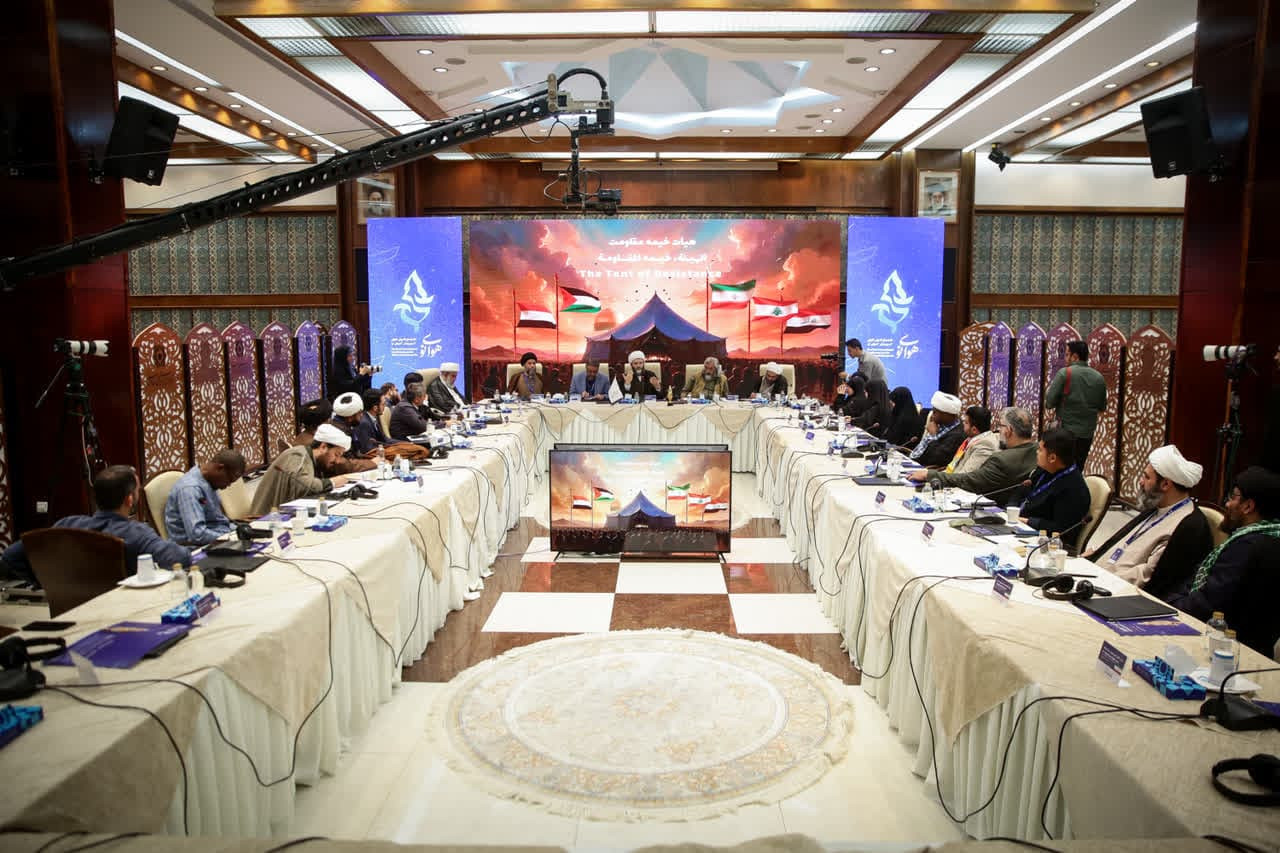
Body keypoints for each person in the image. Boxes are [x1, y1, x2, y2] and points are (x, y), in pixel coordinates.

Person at [1, 465, 191, 588]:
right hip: (123, 612)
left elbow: (10, 557)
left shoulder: (66, 525)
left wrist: (48, 584)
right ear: (129, 500)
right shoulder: (137, 533)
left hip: (68, 613)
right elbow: (180, 559)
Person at [1163, 466, 1280, 655]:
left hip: (1227, 651)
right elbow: (1197, 581)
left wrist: (1167, 607)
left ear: (1248, 506)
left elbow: (1205, 604)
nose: (1227, 503)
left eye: (1233, 497)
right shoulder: (1267, 537)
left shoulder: (1248, 547)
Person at [1088, 445, 1213, 594]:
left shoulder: (1189, 526)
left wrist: (1101, 578)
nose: (1141, 482)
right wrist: (1094, 558)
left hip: (1118, 592)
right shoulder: (1157, 507)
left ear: (1165, 484)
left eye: (1147, 477)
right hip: (1099, 577)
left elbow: (1149, 576)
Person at [910, 406, 1039, 499]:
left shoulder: (1001, 459)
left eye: (1000, 426)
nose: (998, 430)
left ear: (1009, 430)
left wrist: (929, 475)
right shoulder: (1038, 451)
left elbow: (970, 480)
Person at [251, 424, 352, 516]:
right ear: (323, 447)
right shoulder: (298, 455)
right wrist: (332, 482)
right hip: (267, 519)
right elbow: (302, 486)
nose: (337, 461)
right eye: (336, 455)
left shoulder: (314, 461)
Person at [1016, 427, 1090, 544]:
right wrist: (1010, 510)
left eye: (1040, 450)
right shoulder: (1044, 469)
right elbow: (1021, 490)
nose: (1037, 452)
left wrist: (1025, 521)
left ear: (1052, 458)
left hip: (1044, 541)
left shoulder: (1074, 489)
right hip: (1019, 524)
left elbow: (1060, 529)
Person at [163, 449, 246, 546]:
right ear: (220, 468)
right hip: (196, 547)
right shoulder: (190, 489)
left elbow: (218, 521)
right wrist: (230, 537)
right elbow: (197, 535)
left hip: (219, 536)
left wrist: (239, 530)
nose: (228, 485)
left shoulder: (208, 481)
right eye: (229, 480)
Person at [1044, 341, 1107, 468]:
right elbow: (1101, 407)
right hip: (1086, 434)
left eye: (1067, 354)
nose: (1065, 358)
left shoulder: (1064, 373)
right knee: (1077, 468)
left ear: (1075, 356)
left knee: (1061, 468)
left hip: (1065, 432)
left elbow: (1049, 403)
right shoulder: (1099, 377)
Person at [909, 392, 965, 467]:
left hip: (925, 469)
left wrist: (933, 435)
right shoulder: (942, 424)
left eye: (935, 412)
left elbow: (936, 459)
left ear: (946, 414)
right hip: (914, 462)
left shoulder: (957, 435)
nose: (932, 415)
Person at [942, 406, 999, 475]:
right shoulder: (972, 438)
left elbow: (965, 476)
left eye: (966, 422)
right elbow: (953, 467)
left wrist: (937, 477)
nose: (963, 424)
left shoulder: (985, 445)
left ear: (974, 430)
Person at [352, 389, 395, 454]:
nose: (385, 406)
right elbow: (368, 450)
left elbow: (385, 439)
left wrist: (406, 443)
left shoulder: (374, 417)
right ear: (375, 408)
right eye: (383, 404)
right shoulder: (364, 423)